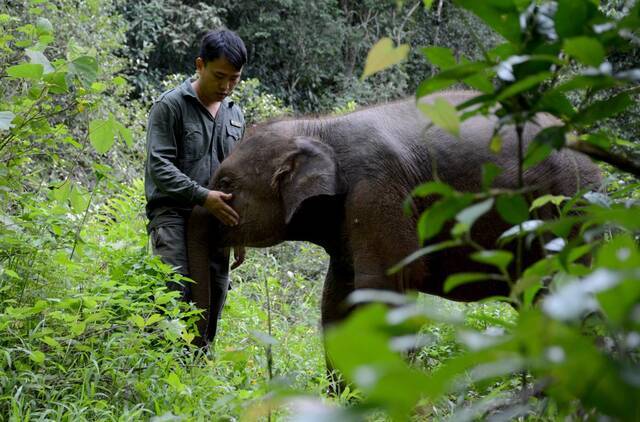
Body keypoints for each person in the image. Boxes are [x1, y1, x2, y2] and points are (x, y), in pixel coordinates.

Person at [144, 28, 247, 344]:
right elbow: (160, 167)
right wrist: (203, 196)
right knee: (175, 292)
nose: (226, 86)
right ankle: (160, 369)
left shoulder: (235, 114)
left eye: (235, 79)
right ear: (200, 65)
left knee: (214, 295)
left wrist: (241, 231)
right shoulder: (171, 106)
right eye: (219, 76)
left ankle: (197, 371)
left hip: (218, 222)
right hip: (174, 215)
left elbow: (238, 175)